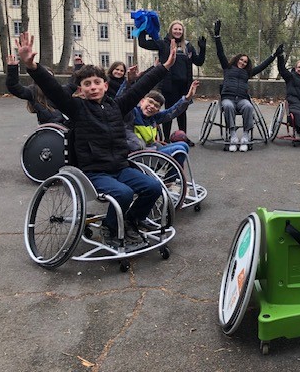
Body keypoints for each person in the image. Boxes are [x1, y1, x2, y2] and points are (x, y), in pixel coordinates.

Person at [16, 30, 178, 248]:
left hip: (121, 168)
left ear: (105, 85)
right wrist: (32, 67)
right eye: (87, 84)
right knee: (124, 193)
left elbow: (141, 87)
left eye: (96, 82)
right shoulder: (76, 108)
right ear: (81, 90)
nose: (92, 87)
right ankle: (110, 228)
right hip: (94, 172)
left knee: (153, 187)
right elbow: (53, 89)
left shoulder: (116, 106)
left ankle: (131, 221)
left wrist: (165, 67)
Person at [214, 20, 279, 152]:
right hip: (228, 98)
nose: (243, 63)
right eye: (241, 60)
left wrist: (274, 56)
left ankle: (245, 135)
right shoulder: (227, 67)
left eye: (245, 62)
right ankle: (232, 135)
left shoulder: (247, 73)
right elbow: (220, 52)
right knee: (228, 106)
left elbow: (263, 66)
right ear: (237, 59)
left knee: (249, 106)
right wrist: (217, 36)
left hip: (242, 99)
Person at [138, 17, 205, 143]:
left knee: (182, 112)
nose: (178, 31)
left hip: (184, 85)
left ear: (183, 32)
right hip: (169, 85)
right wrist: (144, 29)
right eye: (175, 29)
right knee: (168, 112)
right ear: (170, 30)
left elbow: (199, 62)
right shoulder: (163, 44)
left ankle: (183, 138)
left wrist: (202, 49)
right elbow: (143, 43)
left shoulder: (188, 46)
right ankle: (167, 138)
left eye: (180, 29)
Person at [129, 82, 199, 169]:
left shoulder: (153, 117)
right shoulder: (132, 114)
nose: (152, 106)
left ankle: (172, 175)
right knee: (179, 149)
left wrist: (187, 98)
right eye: (150, 102)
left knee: (183, 145)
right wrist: (129, 81)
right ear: (142, 101)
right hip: (140, 154)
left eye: (156, 106)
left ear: (158, 110)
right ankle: (173, 175)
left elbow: (171, 112)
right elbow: (123, 101)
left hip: (152, 149)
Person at [5, 54, 78, 125]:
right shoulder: (33, 91)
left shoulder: (59, 91)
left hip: (64, 125)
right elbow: (14, 87)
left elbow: (73, 85)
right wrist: (12, 68)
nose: (47, 80)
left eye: (49, 77)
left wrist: (78, 66)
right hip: (47, 127)